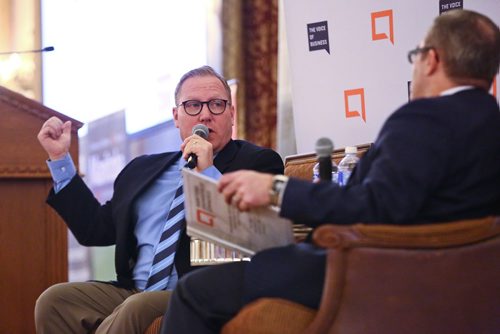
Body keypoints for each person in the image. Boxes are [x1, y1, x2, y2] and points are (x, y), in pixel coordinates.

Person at [160, 10, 500, 333]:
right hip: (452, 277)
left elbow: (375, 205)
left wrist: (276, 190)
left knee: (192, 291)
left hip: (369, 267)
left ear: (432, 60)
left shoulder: (422, 119)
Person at [34, 65, 284, 334]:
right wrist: (61, 159)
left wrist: (208, 173)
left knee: (137, 307)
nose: (205, 115)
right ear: (176, 116)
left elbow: (255, 238)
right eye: (192, 106)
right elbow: (95, 229)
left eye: (216, 105)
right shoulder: (142, 169)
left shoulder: (258, 163)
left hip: (198, 291)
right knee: (54, 301)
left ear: (231, 114)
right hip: (135, 289)